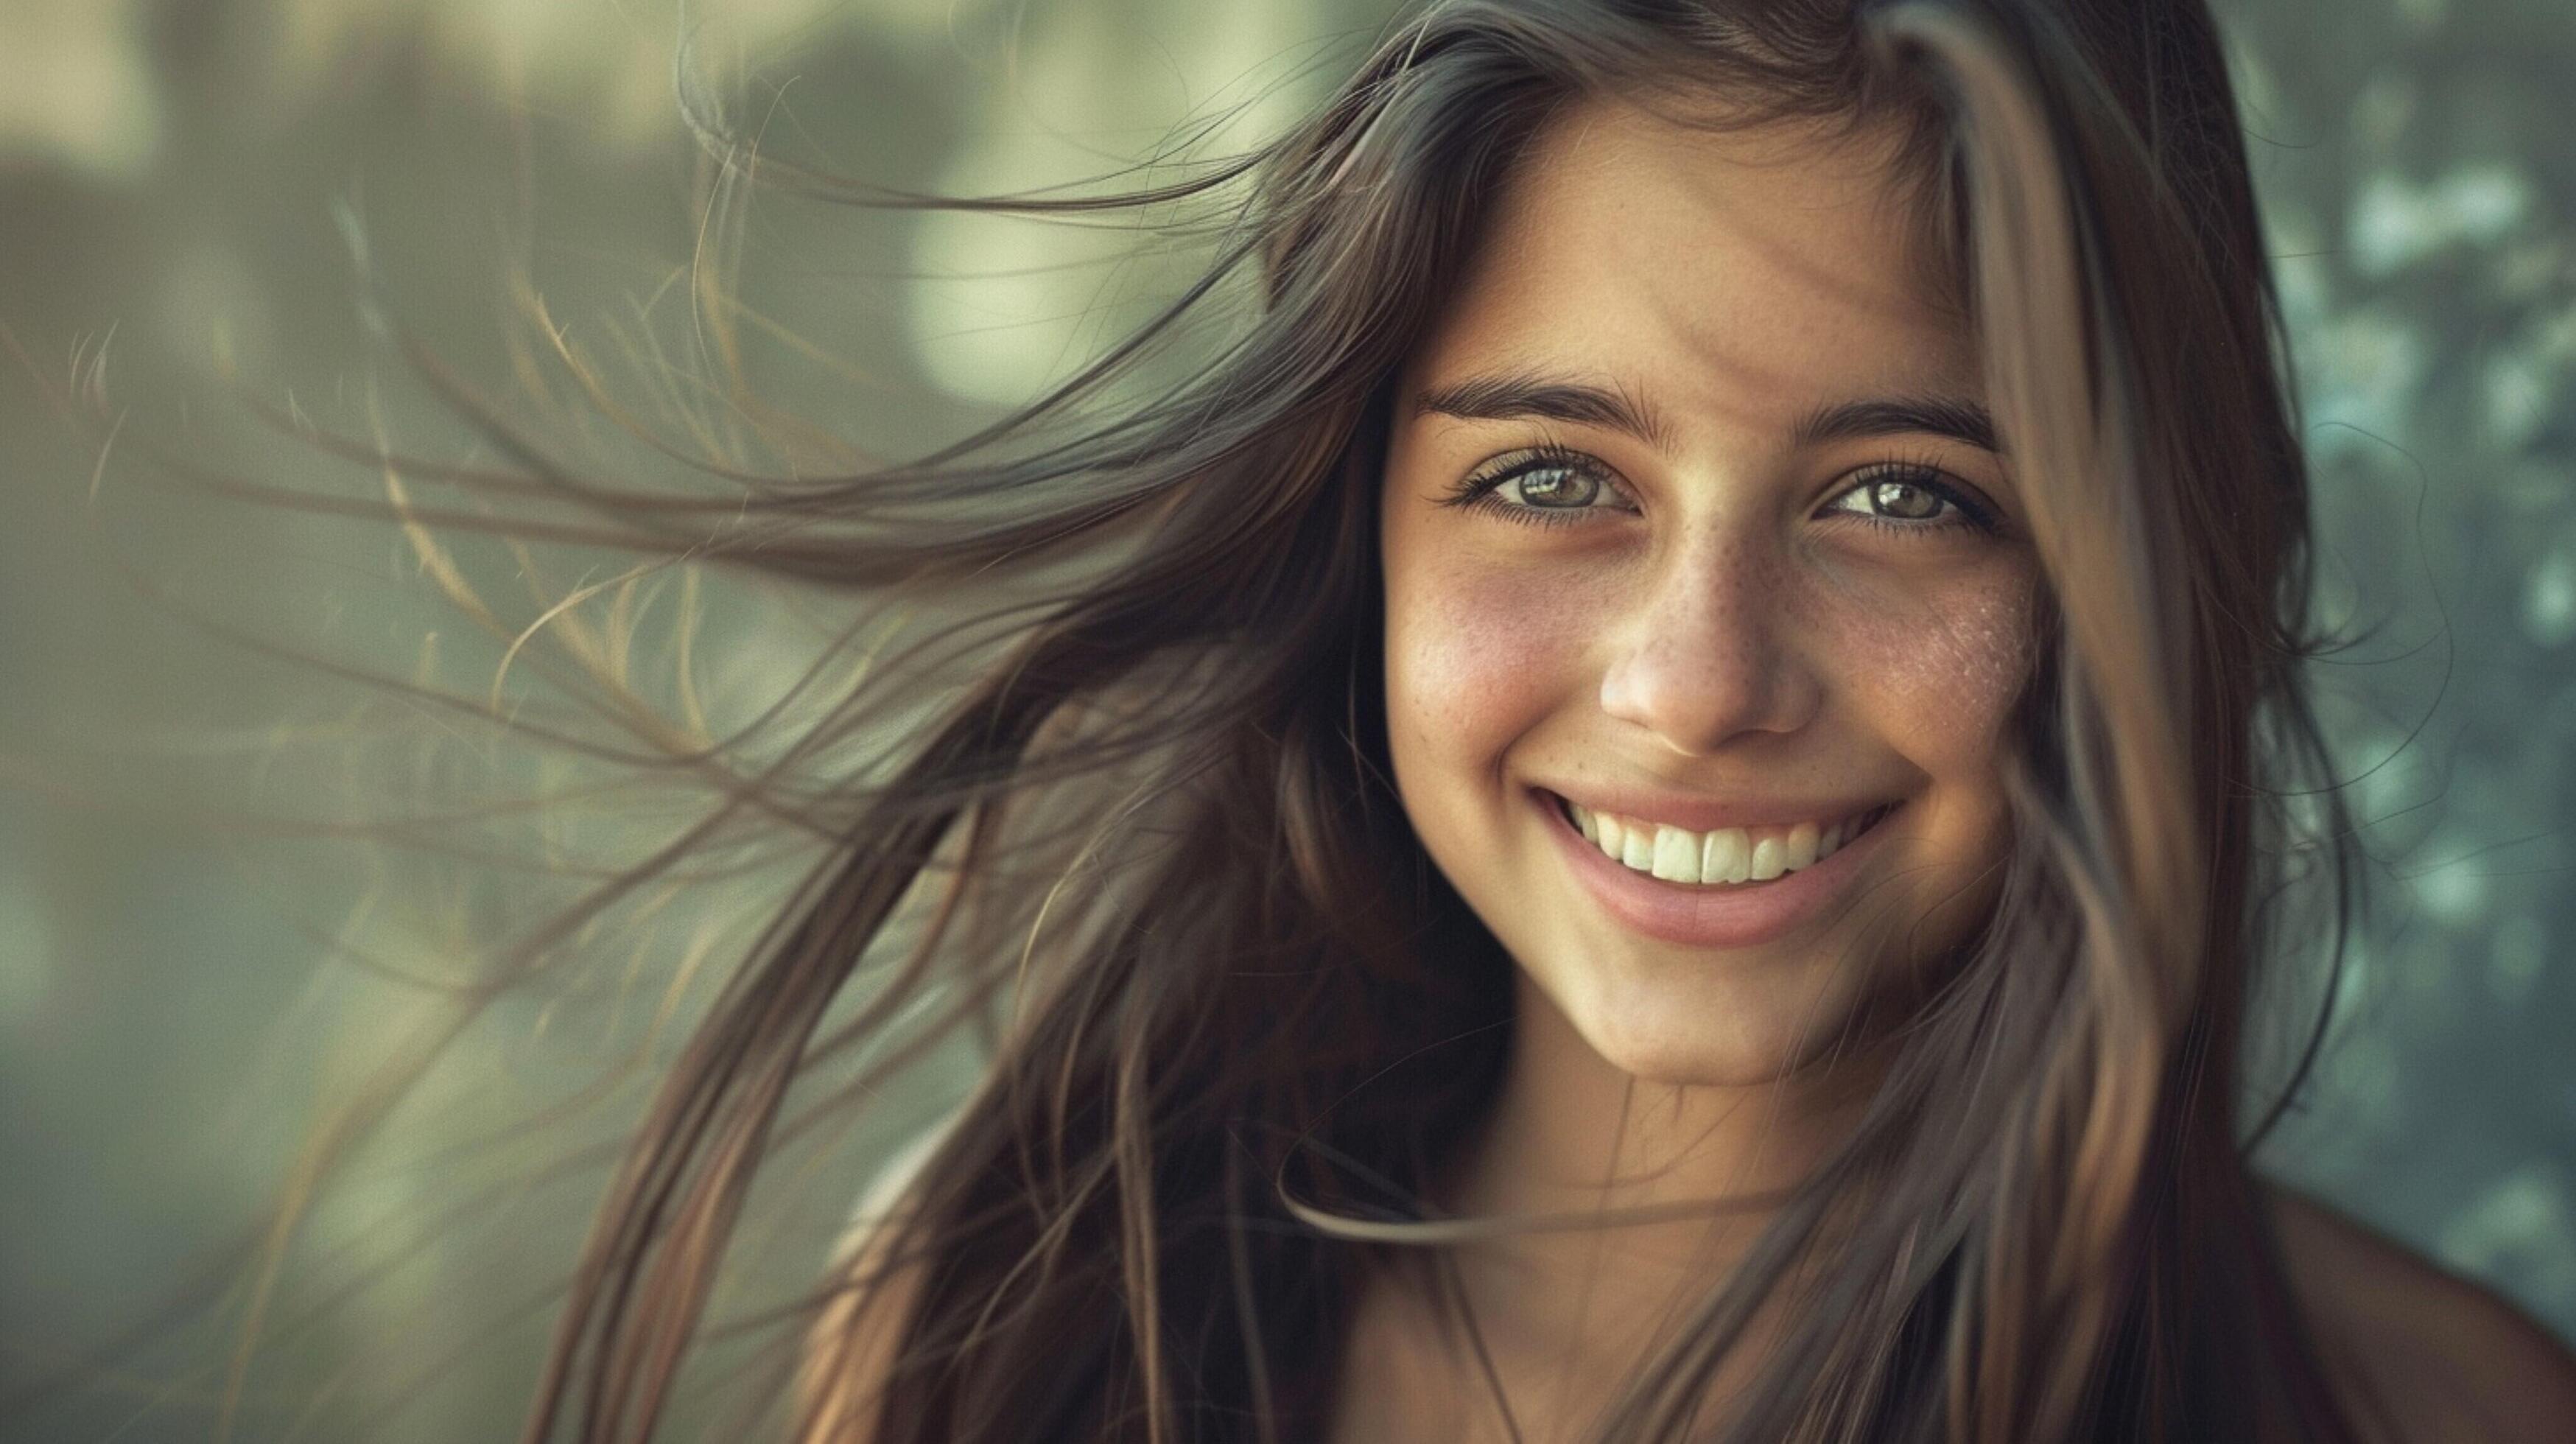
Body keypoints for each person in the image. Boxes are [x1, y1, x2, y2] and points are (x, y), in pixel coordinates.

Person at [505, 1, 2576, 1440]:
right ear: (1363, 536)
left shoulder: (2432, 1418)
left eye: (1902, 499)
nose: (1694, 685)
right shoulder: (1020, 1316)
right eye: (1551, 478)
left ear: (2143, 569)